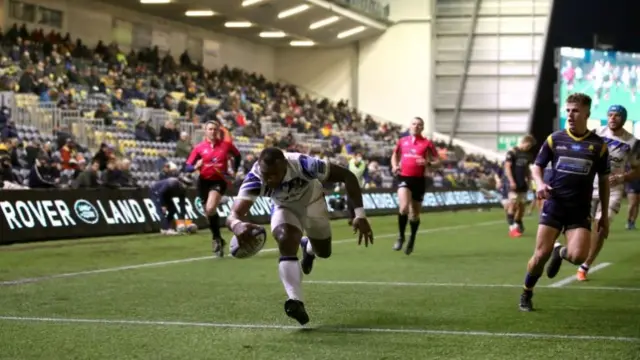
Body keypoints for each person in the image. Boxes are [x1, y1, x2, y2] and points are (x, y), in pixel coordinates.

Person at [225, 148, 374, 325]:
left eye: (274, 174)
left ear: (285, 166)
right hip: (284, 207)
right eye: (266, 174)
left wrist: (360, 214)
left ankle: (308, 248)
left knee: (323, 252)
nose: (269, 179)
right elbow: (233, 215)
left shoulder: (303, 164)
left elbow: (347, 176)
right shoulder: (255, 178)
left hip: (313, 202)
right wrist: (237, 225)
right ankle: (295, 301)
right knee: (285, 238)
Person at [519, 93, 610, 312]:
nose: (570, 114)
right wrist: (540, 183)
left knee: (578, 256)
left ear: (587, 113)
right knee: (539, 256)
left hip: (579, 209)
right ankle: (526, 293)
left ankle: (559, 252)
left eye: (575, 110)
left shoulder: (598, 146)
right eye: (568, 110)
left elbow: (604, 181)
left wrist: (604, 215)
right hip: (555, 204)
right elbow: (536, 166)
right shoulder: (555, 139)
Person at [577, 105, 640, 281]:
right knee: (581, 225)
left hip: (613, 190)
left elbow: (638, 169)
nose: (612, 118)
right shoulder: (596, 132)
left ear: (623, 118)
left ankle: (585, 265)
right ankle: (570, 252)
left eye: (617, 115)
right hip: (590, 186)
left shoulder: (633, 142)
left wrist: (623, 176)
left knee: (601, 224)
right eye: (610, 114)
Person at [185, 121, 241, 257]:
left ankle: (216, 239)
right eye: (210, 129)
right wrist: (195, 167)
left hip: (219, 180)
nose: (212, 132)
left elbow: (237, 156)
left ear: (218, 131)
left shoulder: (226, 145)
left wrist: (234, 169)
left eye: (215, 129)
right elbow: (187, 167)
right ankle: (218, 238)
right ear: (205, 131)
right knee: (209, 214)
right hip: (203, 182)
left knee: (210, 208)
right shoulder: (199, 148)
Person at [391, 117, 438, 255]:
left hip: (419, 180)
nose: (416, 126)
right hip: (404, 177)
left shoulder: (427, 143)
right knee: (404, 207)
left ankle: (412, 237)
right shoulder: (402, 141)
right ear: (410, 126)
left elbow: (438, 161)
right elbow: (394, 155)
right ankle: (401, 236)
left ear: (422, 128)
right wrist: (394, 166)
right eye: (414, 124)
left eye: (419, 125)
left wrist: (428, 163)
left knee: (414, 214)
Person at [503, 135, 536, 237]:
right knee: (512, 204)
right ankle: (512, 228)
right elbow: (507, 167)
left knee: (521, 207)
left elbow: (527, 169)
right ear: (524, 142)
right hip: (513, 183)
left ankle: (518, 222)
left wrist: (530, 180)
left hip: (523, 184)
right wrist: (511, 181)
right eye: (528, 145)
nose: (528, 147)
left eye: (530, 146)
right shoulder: (512, 152)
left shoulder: (528, 155)